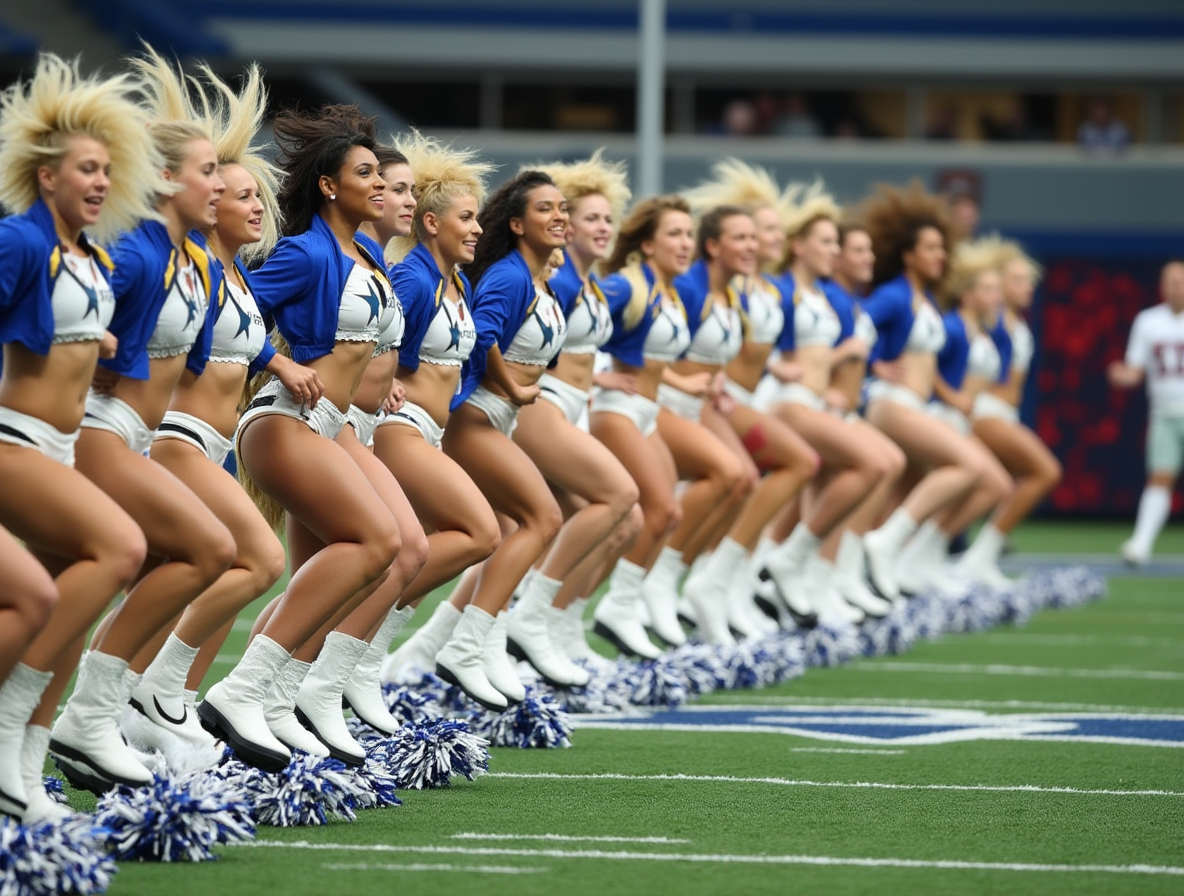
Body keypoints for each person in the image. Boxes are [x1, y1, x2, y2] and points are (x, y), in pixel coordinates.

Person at [49, 47, 238, 794]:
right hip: (95, 430)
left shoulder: (189, 259)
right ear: (164, 179)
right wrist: (91, 352)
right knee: (205, 549)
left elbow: (184, 364)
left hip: (134, 435)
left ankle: (56, 736)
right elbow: (70, 336)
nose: (219, 184)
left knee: (64, 598)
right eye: (207, 172)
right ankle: (95, 714)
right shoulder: (132, 252)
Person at [119, 62, 320, 762]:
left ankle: (149, 705)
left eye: (255, 194)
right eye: (236, 193)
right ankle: (140, 697)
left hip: (212, 445)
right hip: (171, 438)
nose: (256, 206)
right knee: (253, 560)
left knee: (175, 580)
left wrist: (280, 361)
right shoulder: (183, 263)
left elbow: (240, 336)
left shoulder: (226, 272)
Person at [200, 104, 401, 771]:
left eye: (379, 172)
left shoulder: (367, 252)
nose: (379, 183)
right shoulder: (304, 252)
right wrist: (277, 361)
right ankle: (239, 691)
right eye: (365, 174)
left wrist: (382, 381)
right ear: (328, 186)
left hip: (330, 427)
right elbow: (228, 307)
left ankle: (279, 701)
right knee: (379, 542)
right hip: (284, 421)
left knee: (348, 568)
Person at [0, 52, 158, 819]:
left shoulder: (88, 254)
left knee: (70, 615)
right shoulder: (20, 241)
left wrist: (92, 341)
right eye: (85, 170)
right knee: (122, 548)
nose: (100, 182)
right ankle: (5, 727)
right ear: (46, 176)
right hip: (14, 441)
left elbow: (63, 329)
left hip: (58, 448)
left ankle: (27, 775)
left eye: (105, 170)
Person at [431, 170, 568, 707]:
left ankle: (475, 644)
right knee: (544, 518)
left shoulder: (540, 279)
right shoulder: (510, 277)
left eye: (562, 208)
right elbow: (482, 335)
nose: (559, 216)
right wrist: (511, 386)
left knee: (509, 530)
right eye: (544, 209)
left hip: (499, 418)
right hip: (476, 417)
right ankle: (465, 646)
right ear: (516, 224)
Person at [374, 133, 503, 690]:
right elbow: (376, 342)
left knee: (418, 552)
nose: (477, 229)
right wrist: (381, 383)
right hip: (397, 429)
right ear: (431, 223)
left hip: (430, 433)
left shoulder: (459, 282)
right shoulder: (412, 275)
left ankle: (362, 654)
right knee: (479, 532)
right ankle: (362, 643)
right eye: (466, 218)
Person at [511, 150, 642, 674]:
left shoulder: (590, 280)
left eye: (608, 218)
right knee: (620, 501)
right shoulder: (560, 278)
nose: (603, 227)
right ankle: (530, 615)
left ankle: (557, 626)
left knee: (619, 524)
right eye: (590, 218)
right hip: (542, 406)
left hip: (573, 410)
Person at [855, 181, 1000, 599]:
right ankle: (885, 544)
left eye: (942, 248)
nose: (940, 256)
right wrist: (874, 364)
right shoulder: (894, 294)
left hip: (915, 406)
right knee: (969, 466)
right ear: (908, 255)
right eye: (931, 248)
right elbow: (856, 323)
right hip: (892, 404)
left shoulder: (928, 300)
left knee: (901, 489)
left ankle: (882, 563)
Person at [588, 196, 694, 658]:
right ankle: (615, 606)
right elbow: (577, 330)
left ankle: (618, 606)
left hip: (647, 411)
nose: (685, 243)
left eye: (689, 234)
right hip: (617, 409)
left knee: (664, 516)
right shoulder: (625, 286)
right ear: (648, 245)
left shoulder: (669, 290)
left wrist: (684, 383)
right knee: (657, 510)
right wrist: (597, 376)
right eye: (674, 234)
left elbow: (651, 358)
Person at [969, 237, 1062, 577]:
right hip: (984, 412)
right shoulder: (988, 321)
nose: (1027, 287)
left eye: (1028, 280)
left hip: (1005, 415)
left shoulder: (1017, 324)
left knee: (992, 487)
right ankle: (978, 559)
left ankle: (975, 557)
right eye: (1018, 280)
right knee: (1045, 471)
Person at [1109, 259, 1184, 564]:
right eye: (1170, 281)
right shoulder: (1148, 321)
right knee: (1159, 478)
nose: (1175, 287)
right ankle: (1141, 543)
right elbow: (1136, 370)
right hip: (1164, 414)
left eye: (1180, 281)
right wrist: (1122, 375)